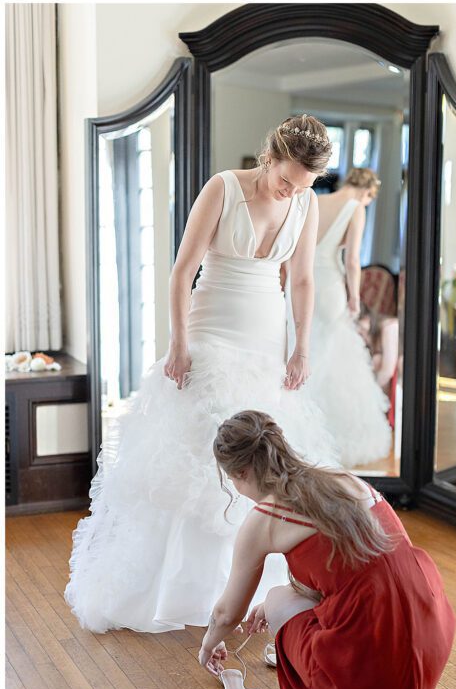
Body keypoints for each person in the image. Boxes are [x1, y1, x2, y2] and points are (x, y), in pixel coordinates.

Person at [65, 115, 340, 633]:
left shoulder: (306, 202)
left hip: (265, 345)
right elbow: (182, 269)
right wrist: (179, 343)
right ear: (272, 155)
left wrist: (301, 348)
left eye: (302, 185)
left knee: (263, 467)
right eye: (287, 179)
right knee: (197, 460)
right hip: (210, 335)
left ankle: (243, 593)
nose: (290, 191)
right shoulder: (222, 189)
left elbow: (302, 280)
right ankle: (181, 593)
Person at [198, 410, 456, 689]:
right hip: (430, 631)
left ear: (241, 472)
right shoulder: (341, 479)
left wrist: (208, 646)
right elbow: (373, 565)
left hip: (375, 657)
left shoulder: (265, 518)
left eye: (233, 482)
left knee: (277, 597)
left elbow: (226, 614)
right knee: (281, 599)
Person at [287, 167, 392, 468]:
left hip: (299, 282)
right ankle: (332, 433)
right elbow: (353, 259)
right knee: (333, 355)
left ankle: (300, 430)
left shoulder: (315, 200)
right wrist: (355, 297)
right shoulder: (356, 207)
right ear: (368, 191)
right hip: (330, 284)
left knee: (303, 347)